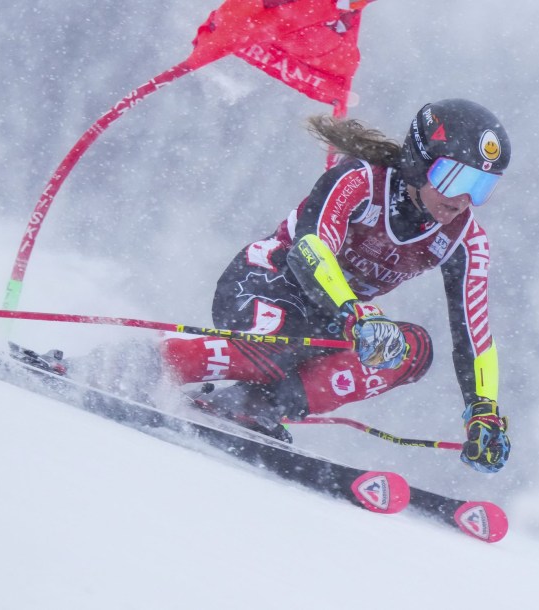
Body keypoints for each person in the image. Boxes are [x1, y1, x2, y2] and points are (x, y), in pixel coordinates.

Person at [155, 98, 512, 474]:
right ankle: (154, 363)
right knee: (279, 348)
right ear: (420, 163)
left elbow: (473, 331)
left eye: (481, 186)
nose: (463, 200)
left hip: (330, 320)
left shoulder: (466, 240)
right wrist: (354, 311)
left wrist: (483, 410)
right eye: (454, 179)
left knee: (414, 351)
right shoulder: (358, 181)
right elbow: (310, 249)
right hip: (266, 284)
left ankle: (259, 404)